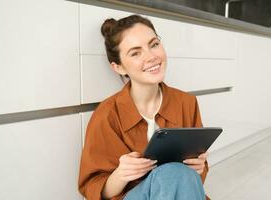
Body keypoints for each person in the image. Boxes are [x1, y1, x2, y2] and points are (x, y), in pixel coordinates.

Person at [78, 14, 210, 200]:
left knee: (177, 174)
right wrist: (120, 174)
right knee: (172, 173)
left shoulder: (186, 102)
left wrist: (198, 166)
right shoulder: (106, 115)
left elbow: (193, 179)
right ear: (118, 67)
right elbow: (92, 189)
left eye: (154, 44)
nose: (151, 57)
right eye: (135, 53)